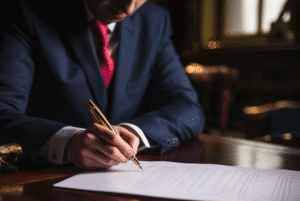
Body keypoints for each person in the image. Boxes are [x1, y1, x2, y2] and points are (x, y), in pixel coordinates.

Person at [0, 0, 205, 170]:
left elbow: (189, 110)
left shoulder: (154, 19)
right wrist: (68, 143)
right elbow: (3, 113)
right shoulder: (23, 9)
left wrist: (131, 132)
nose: (128, 8)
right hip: (38, 183)